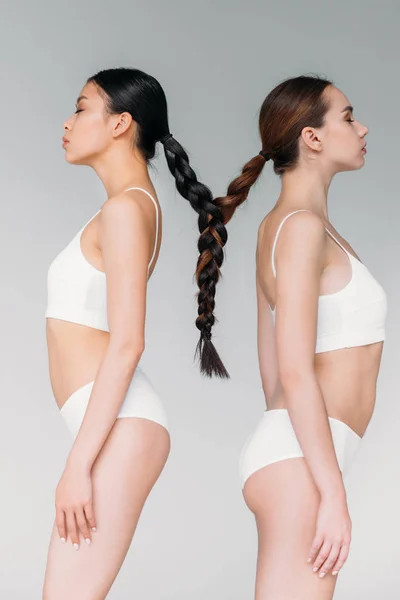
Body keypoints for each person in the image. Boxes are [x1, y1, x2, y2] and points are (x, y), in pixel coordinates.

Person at [42, 67, 228, 599]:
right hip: (115, 424)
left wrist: (77, 466)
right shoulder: (128, 204)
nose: (68, 122)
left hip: (119, 429)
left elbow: (128, 342)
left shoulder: (125, 209)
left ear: (121, 123)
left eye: (81, 108)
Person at [213, 75, 387, 599]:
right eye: (348, 116)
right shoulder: (302, 228)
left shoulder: (283, 226)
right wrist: (329, 492)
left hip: (295, 450)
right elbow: (290, 370)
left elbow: (272, 375)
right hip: (303, 461)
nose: (362, 128)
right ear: (312, 137)